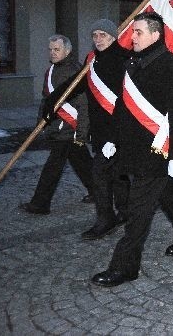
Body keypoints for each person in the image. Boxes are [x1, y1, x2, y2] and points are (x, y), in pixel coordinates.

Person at [91, 12, 173, 288]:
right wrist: (111, 139)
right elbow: (123, 107)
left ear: (155, 34)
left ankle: (125, 267)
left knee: (138, 210)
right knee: (165, 194)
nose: (133, 37)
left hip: (157, 152)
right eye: (133, 32)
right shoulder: (132, 63)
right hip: (132, 149)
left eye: (138, 32)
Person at [43, 20, 131, 240]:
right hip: (100, 129)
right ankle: (127, 211)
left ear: (113, 36)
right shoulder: (93, 60)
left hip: (118, 130)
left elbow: (126, 101)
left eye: (103, 34)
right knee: (118, 174)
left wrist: (114, 136)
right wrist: (52, 102)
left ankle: (106, 219)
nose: (98, 39)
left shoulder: (122, 60)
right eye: (95, 35)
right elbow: (77, 83)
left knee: (99, 174)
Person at [20, 34, 94, 215]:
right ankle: (99, 192)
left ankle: (40, 204)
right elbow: (47, 100)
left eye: (57, 49)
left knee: (52, 168)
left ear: (67, 51)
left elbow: (84, 104)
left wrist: (82, 134)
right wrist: (41, 123)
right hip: (58, 127)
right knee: (83, 164)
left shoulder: (75, 71)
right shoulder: (51, 70)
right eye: (50, 49)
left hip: (69, 129)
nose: (52, 53)